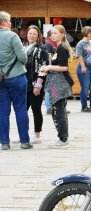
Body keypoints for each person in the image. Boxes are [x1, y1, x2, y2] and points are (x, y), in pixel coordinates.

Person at [0, 11, 32, 150]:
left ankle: (4, 143)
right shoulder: (12, 35)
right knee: (20, 109)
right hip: (17, 77)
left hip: (1, 80)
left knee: (2, 111)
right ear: (6, 22)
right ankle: (24, 141)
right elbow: (23, 57)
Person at [40, 25, 73, 149]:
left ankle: (63, 139)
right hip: (55, 83)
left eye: (55, 33)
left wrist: (48, 67)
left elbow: (64, 67)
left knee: (60, 112)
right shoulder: (58, 48)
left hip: (60, 84)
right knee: (57, 111)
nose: (53, 35)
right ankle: (62, 138)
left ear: (62, 35)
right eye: (52, 33)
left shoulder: (62, 48)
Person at [24, 25, 49, 144]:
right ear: (26, 34)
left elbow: (43, 68)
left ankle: (37, 135)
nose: (32, 36)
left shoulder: (41, 49)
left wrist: (38, 85)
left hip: (35, 84)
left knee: (36, 110)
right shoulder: (23, 48)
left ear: (38, 35)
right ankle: (24, 134)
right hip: (24, 84)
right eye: (30, 33)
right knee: (22, 110)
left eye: (34, 33)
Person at [76, 26, 91, 113]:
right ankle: (84, 106)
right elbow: (80, 56)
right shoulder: (80, 44)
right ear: (85, 33)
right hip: (85, 67)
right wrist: (83, 66)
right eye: (90, 33)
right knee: (85, 88)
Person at [44, 29, 57, 115]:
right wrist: (50, 68)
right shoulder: (49, 45)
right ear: (49, 36)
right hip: (50, 69)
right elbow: (49, 57)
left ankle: (53, 107)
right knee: (49, 89)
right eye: (53, 34)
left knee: (53, 88)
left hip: (51, 68)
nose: (54, 36)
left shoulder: (52, 45)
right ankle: (49, 107)